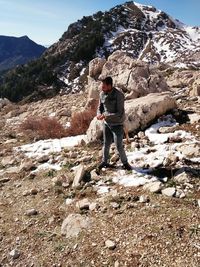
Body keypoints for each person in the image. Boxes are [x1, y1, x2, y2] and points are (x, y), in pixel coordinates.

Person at [96, 76, 132, 171]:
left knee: (118, 145)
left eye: (103, 85)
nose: (101, 87)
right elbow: (100, 107)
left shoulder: (118, 95)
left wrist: (105, 116)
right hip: (107, 124)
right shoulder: (101, 94)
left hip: (117, 124)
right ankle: (105, 161)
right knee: (106, 143)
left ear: (109, 85)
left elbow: (119, 113)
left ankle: (125, 163)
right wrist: (99, 114)